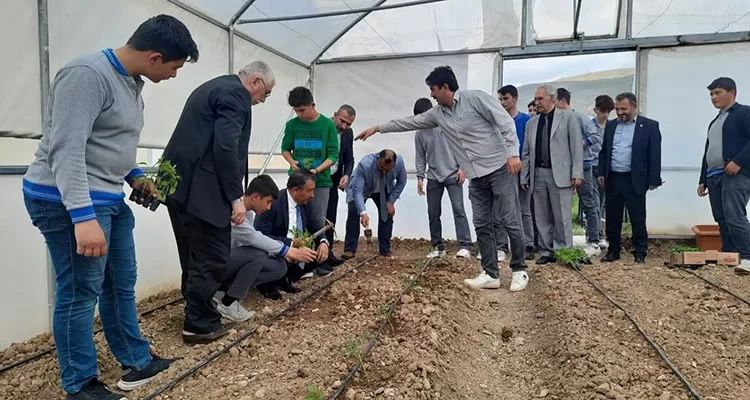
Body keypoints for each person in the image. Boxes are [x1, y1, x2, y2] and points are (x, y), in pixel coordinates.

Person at [22, 15, 198, 399]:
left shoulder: (132, 82)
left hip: (106, 195)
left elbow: (106, 141)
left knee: (120, 280)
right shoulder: (87, 75)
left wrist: (135, 174)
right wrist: (82, 217)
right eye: (174, 66)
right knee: (79, 290)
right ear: (155, 57)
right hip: (64, 198)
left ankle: (136, 358)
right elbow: (65, 148)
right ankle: (80, 384)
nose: (173, 74)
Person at [357, 66, 528, 292]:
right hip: (476, 176)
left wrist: (512, 153)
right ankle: (490, 273)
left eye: (433, 89)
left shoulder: (475, 99)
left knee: (510, 220)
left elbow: (505, 123)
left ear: (446, 87)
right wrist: (379, 128)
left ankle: (519, 270)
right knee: (482, 223)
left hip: (498, 168)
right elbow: (410, 122)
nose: (431, 94)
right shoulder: (437, 114)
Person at [164, 61, 275, 345]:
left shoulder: (213, 86)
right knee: (212, 257)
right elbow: (226, 146)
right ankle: (199, 324)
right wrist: (235, 197)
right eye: (266, 94)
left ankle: (196, 312)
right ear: (256, 82)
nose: (263, 101)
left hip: (180, 187)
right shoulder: (236, 95)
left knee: (192, 256)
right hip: (204, 193)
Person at [214, 175, 317, 321]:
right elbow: (254, 238)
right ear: (256, 197)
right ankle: (228, 302)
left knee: (279, 267)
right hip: (218, 263)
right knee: (258, 255)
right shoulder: (237, 213)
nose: (269, 207)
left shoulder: (247, 211)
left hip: (231, 260)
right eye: (268, 202)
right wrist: (290, 250)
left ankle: (222, 291)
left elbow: (252, 241)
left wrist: (283, 253)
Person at [521, 85, 583, 265]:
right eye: (536, 99)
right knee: (541, 215)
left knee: (562, 215)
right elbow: (526, 152)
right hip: (538, 173)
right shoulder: (531, 123)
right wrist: (525, 175)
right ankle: (546, 250)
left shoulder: (568, 118)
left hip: (561, 174)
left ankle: (563, 250)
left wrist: (577, 173)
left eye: (540, 99)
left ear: (552, 98)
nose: (537, 102)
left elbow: (576, 148)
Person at [598, 92, 662, 264]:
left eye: (624, 109)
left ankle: (640, 251)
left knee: (637, 217)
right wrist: (601, 173)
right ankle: (613, 250)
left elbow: (654, 154)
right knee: (612, 218)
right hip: (613, 178)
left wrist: (653, 179)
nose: (620, 113)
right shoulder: (611, 126)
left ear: (634, 106)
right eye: (617, 109)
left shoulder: (649, 126)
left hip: (635, 179)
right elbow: (604, 152)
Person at [696, 77, 750, 274]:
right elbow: (708, 150)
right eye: (711, 94)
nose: (713, 97)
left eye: (718, 93)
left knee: (735, 216)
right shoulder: (715, 121)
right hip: (714, 175)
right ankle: (730, 254)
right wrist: (703, 178)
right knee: (722, 218)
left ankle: (747, 257)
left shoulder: (743, 113)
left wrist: (739, 161)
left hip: (735, 175)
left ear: (732, 93)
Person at [255, 169, 331, 298]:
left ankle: (286, 279)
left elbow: (314, 225)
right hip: (277, 249)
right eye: (309, 190)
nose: (313, 195)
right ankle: (266, 284)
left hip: (295, 250)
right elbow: (260, 236)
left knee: (319, 255)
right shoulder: (272, 204)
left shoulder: (305, 203)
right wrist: (290, 246)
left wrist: (323, 242)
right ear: (296, 190)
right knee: (281, 260)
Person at [282, 86, 339, 253]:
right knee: (296, 219)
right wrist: (292, 162)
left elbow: (333, 155)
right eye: (296, 111)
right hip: (297, 180)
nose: (299, 114)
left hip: (320, 182)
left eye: (302, 110)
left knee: (316, 220)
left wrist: (316, 171)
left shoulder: (327, 125)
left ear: (313, 105)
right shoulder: (291, 125)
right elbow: (285, 149)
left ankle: (317, 258)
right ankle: (297, 255)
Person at [413, 98, 472, 259]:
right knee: (433, 212)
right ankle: (438, 246)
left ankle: (465, 245)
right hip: (433, 177)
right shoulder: (419, 134)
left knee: (458, 209)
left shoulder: (446, 126)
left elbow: (462, 146)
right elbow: (420, 157)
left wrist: (462, 167)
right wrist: (420, 177)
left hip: (453, 175)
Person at [555, 88, 602, 256]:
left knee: (588, 203)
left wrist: (579, 144)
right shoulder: (557, 119)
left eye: (554, 101)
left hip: (583, 165)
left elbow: (595, 136)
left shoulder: (579, 117)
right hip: (563, 167)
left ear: (562, 101)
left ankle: (594, 240)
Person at [342, 150, 407, 258]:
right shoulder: (364, 165)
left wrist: (390, 201)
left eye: (388, 170)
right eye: (381, 168)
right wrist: (363, 212)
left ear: (394, 164)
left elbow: (401, 182)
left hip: (384, 188)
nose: (384, 172)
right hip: (362, 189)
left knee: (387, 213)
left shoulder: (399, 162)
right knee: (354, 212)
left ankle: (384, 249)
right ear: (377, 159)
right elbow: (358, 191)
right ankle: (350, 249)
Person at [497, 85, 535, 260]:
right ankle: (502, 244)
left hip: (521, 171)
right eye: (501, 99)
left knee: (524, 209)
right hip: (503, 172)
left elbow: (529, 149)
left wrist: (526, 173)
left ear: (515, 98)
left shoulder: (527, 121)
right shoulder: (498, 121)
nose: (503, 102)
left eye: (505, 98)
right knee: (503, 209)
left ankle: (528, 244)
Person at [326, 105, 357, 267]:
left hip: (334, 179)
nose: (344, 126)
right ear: (335, 115)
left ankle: (327, 252)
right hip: (319, 178)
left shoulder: (348, 134)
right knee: (317, 216)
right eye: (342, 121)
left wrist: (347, 174)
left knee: (331, 216)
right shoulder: (322, 126)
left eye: (348, 124)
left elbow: (350, 159)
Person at [592, 95, 615, 249]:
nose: (605, 115)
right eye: (602, 111)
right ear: (596, 110)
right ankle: (595, 234)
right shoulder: (589, 125)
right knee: (594, 202)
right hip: (592, 165)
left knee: (605, 202)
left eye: (608, 111)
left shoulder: (613, 126)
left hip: (607, 168)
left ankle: (603, 234)